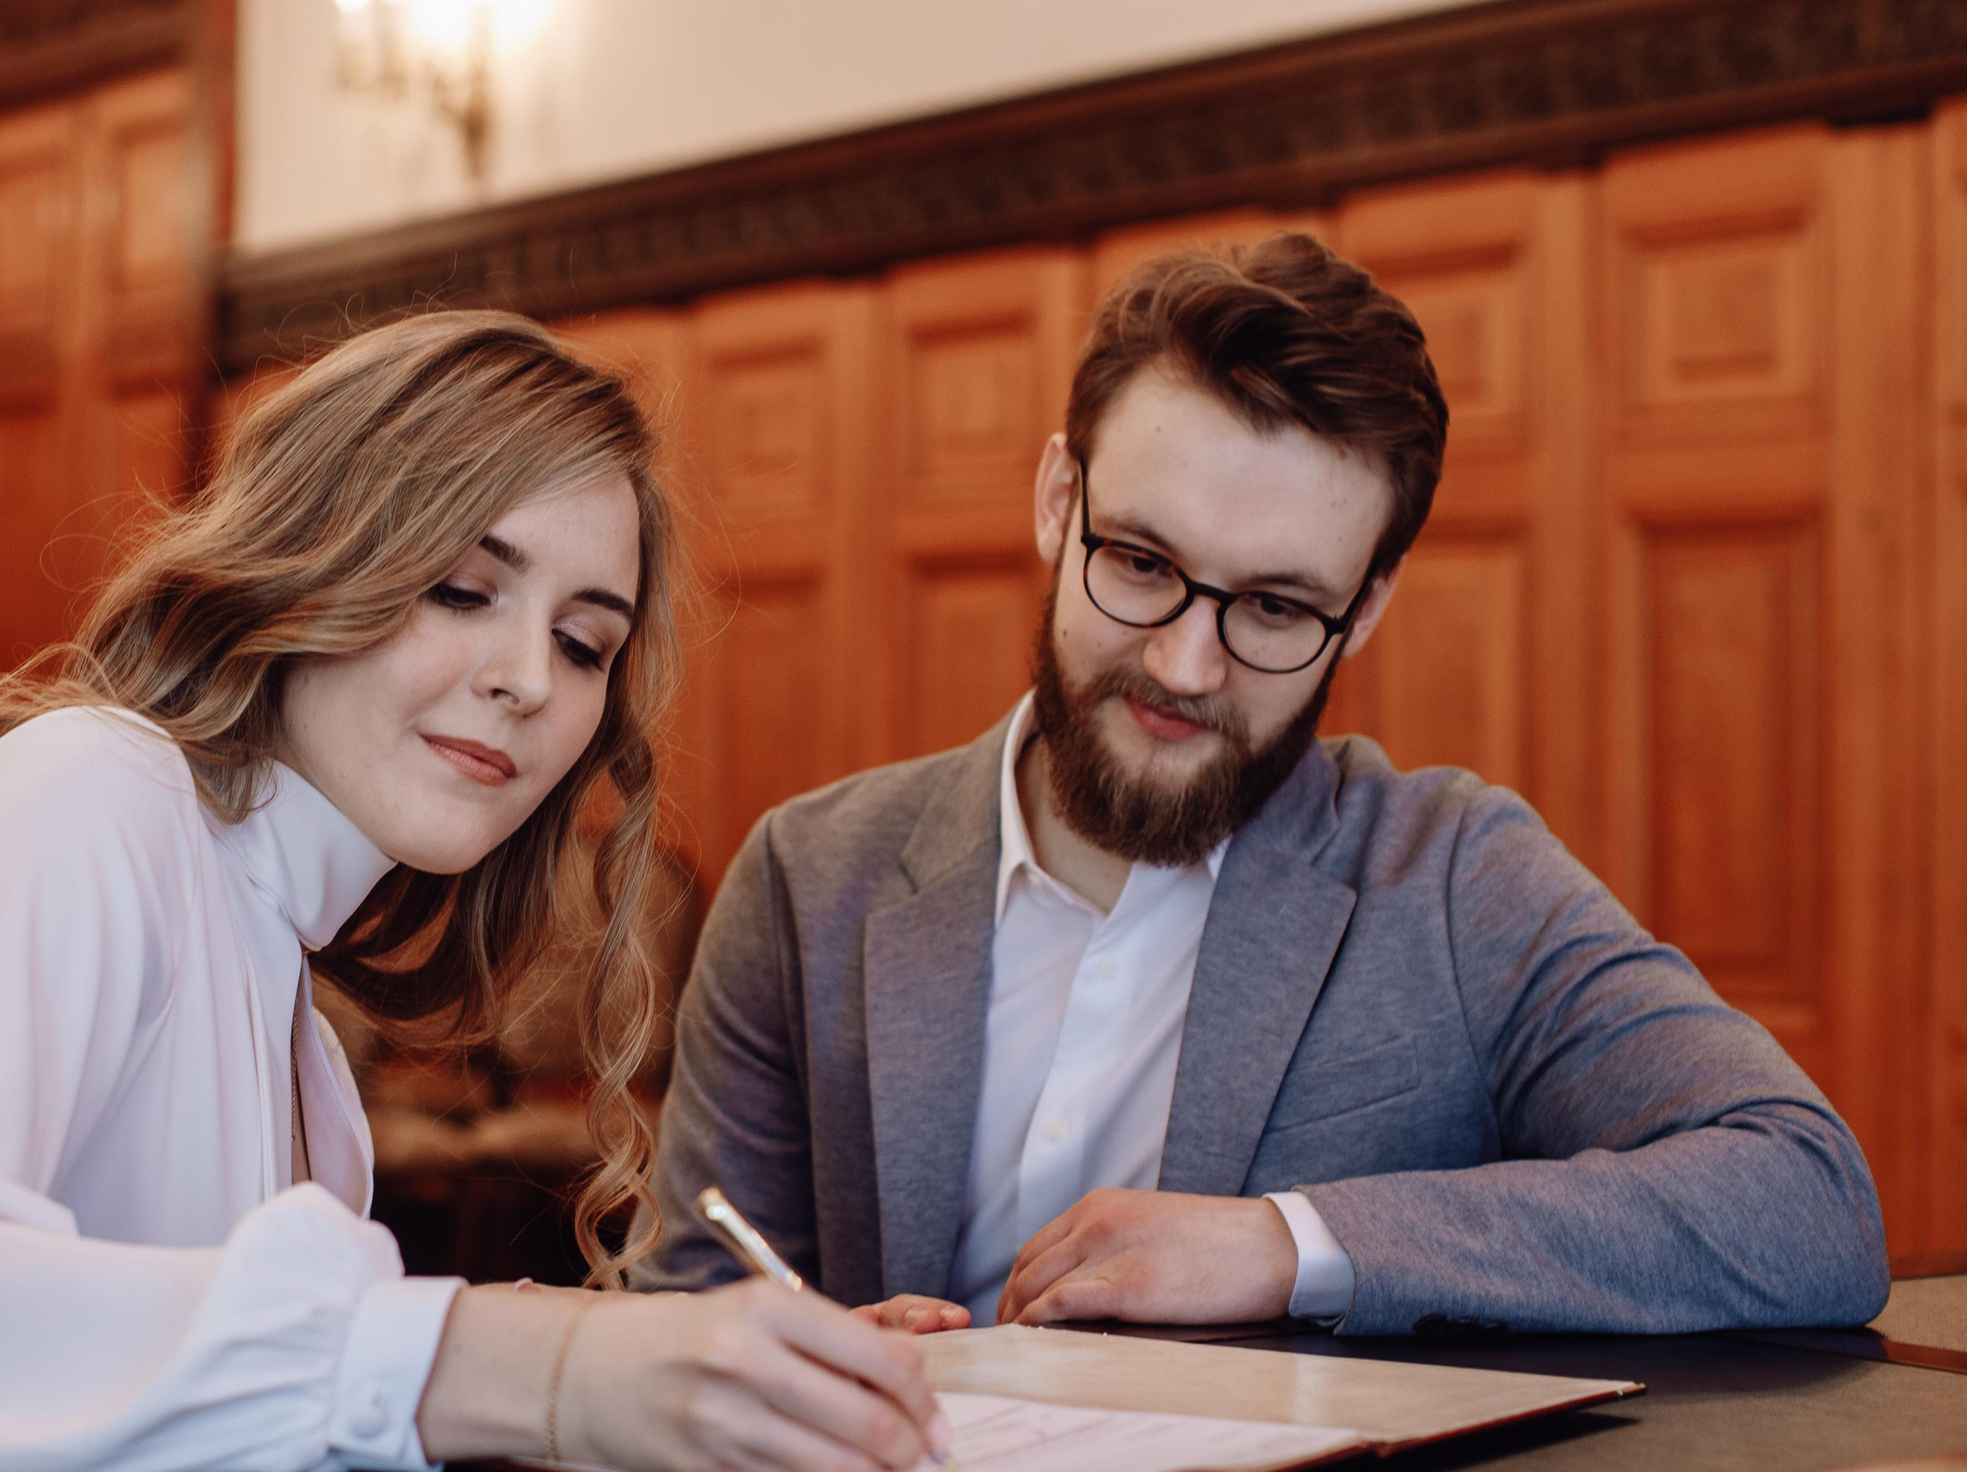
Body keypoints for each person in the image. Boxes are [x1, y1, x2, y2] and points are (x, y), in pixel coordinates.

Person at [0, 311, 944, 1472]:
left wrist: (738, 1371)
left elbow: (190, 1396)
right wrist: (532, 1359)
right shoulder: (92, 787)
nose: (530, 679)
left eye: (583, 639)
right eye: (459, 587)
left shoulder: (304, 1037)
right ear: (308, 561)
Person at [638, 235, 1891, 1338]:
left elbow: (1803, 1200)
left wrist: (1288, 1245)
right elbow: (686, 1324)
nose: (1185, 666)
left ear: (1368, 609)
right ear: (1056, 500)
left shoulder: (1452, 875)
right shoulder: (811, 877)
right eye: (1139, 561)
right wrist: (790, 1368)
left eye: (1278, 607)